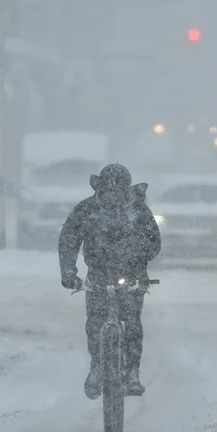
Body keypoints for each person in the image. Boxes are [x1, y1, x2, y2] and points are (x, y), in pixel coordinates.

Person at [58, 163, 161, 399]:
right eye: (109, 191)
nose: (114, 196)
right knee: (94, 323)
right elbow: (69, 239)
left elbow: (154, 241)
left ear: (128, 190)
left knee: (132, 323)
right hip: (98, 276)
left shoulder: (139, 211)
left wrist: (138, 258)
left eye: (119, 190)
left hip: (132, 276)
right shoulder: (87, 210)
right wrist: (68, 272)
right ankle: (96, 366)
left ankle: (132, 372)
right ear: (100, 189)